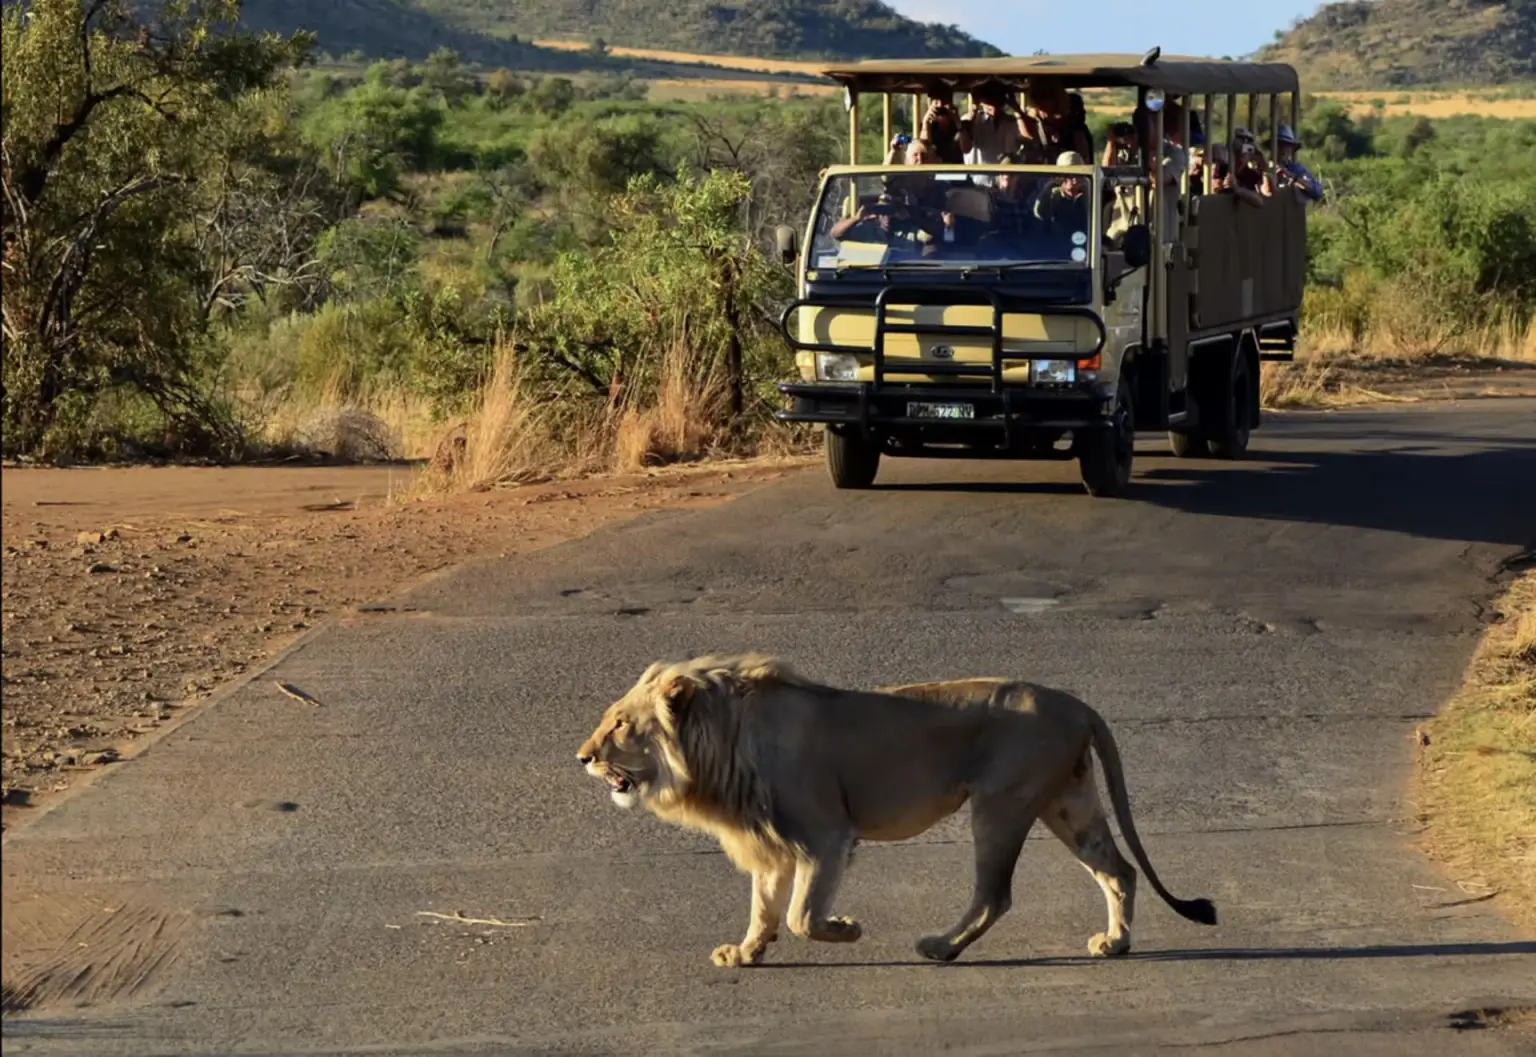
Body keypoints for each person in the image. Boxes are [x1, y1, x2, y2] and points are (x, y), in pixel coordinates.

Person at [1020, 78, 1093, 164]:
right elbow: (1027, 137)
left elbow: (1084, 158)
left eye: (1044, 96)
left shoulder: (1074, 127)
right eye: (1036, 97)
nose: (1039, 102)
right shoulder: (1034, 124)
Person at [958, 80, 1027, 164]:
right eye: (988, 103)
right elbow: (965, 148)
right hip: (980, 174)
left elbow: (1027, 137)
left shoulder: (1011, 122)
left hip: (1006, 175)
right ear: (980, 102)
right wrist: (973, 111)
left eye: (997, 102)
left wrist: (1017, 110)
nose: (993, 107)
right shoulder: (972, 120)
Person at [1273, 123, 1324, 202]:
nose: (1282, 149)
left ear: (1291, 149)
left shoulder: (1296, 169)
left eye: (1286, 145)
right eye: (1279, 144)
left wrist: (1292, 177)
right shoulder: (1263, 168)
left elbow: (1317, 191)